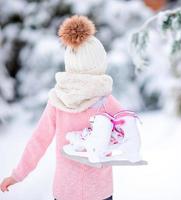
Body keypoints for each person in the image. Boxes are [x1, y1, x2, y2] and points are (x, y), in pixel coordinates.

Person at [0, 15, 122, 200]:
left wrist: (18, 174)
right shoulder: (106, 100)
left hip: (66, 190)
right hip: (100, 191)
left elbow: (38, 140)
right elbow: (128, 130)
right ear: (99, 64)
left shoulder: (58, 100)